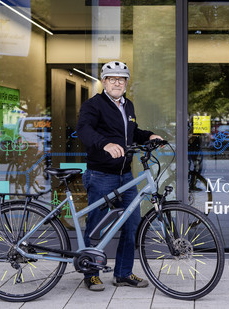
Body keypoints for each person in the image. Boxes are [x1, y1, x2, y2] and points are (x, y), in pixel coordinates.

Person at [76, 61, 162, 291]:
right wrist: (105, 144)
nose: (117, 82)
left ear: (126, 83)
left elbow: (131, 133)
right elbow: (84, 129)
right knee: (96, 225)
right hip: (101, 174)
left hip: (126, 176)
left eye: (121, 79)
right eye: (111, 78)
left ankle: (123, 273)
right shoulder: (93, 105)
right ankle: (91, 273)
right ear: (104, 82)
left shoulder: (128, 106)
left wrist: (149, 136)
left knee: (131, 223)